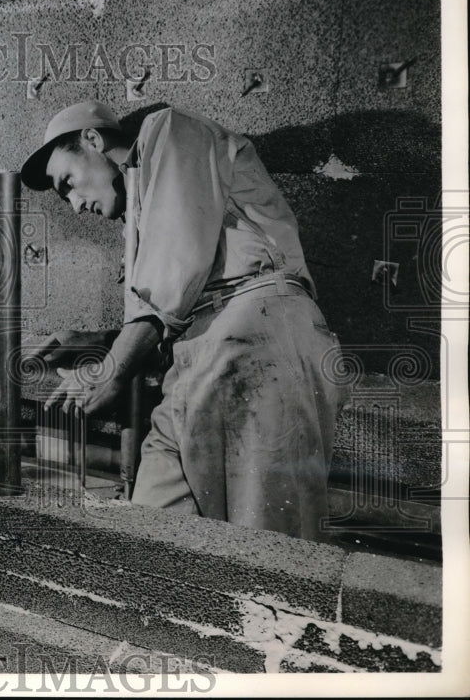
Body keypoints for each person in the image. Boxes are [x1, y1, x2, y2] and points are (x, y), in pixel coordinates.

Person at [20, 100, 347, 540]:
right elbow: (180, 297)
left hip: (262, 337)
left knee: (265, 546)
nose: (76, 205)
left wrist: (113, 370)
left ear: (93, 141)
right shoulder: (139, 200)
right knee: (154, 535)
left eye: (69, 183)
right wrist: (99, 339)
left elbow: (176, 270)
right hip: (201, 352)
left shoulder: (170, 131)